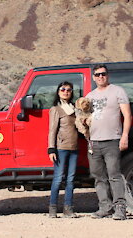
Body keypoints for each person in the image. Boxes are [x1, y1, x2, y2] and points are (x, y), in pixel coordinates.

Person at [86, 64, 132, 220]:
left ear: (108, 75)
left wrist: (124, 135)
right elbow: (84, 118)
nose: (100, 77)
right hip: (94, 142)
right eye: (97, 75)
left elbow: (127, 115)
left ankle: (120, 208)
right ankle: (105, 207)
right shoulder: (90, 96)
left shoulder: (118, 91)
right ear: (93, 77)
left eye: (103, 74)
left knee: (114, 175)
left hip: (112, 140)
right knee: (98, 177)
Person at [47, 81, 79, 218]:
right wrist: (51, 149)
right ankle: (53, 209)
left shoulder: (75, 109)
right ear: (58, 92)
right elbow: (52, 130)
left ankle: (68, 209)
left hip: (74, 148)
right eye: (63, 89)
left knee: (71, 179)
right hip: (61, 148)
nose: (66, 92)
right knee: (58, 179)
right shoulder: (56, 109)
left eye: (69, 90)